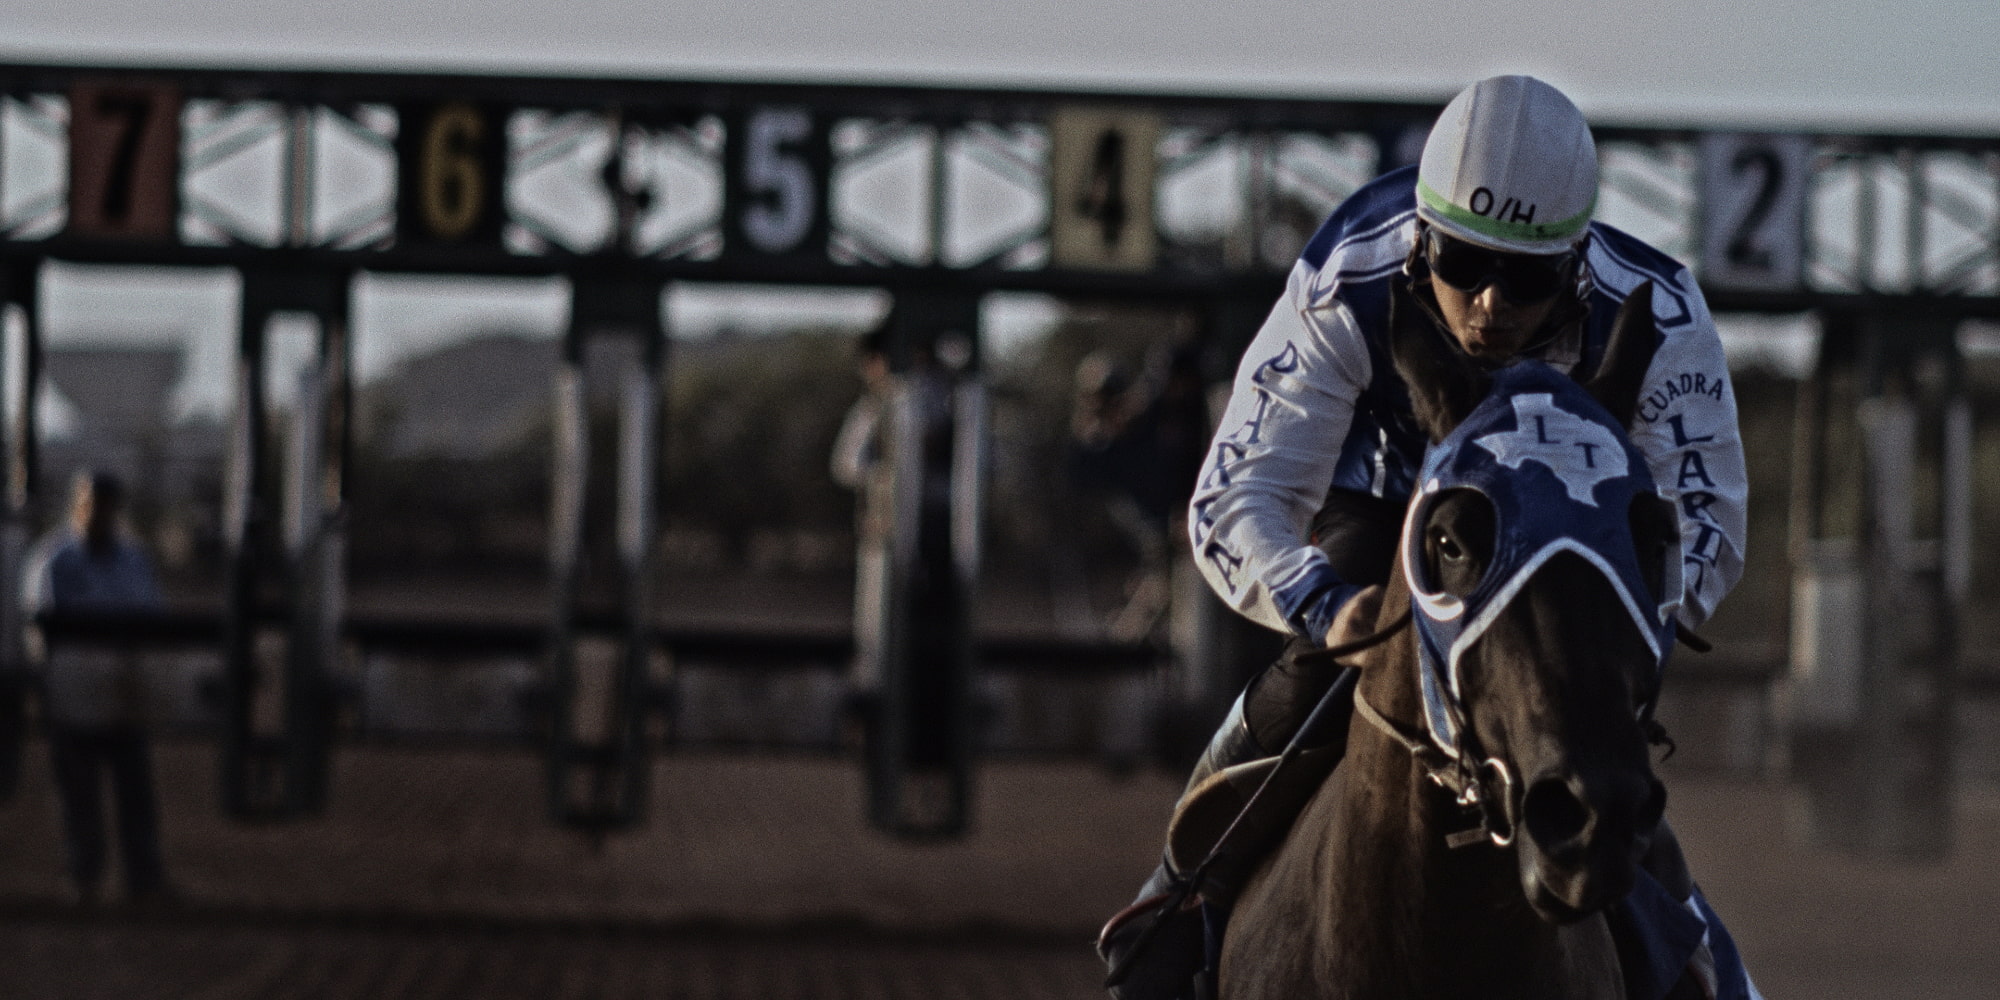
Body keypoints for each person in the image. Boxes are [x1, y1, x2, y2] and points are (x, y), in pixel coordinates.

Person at [1100, 76, 1756, 999]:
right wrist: (1325, 606)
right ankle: (1174, 902)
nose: (1490, 305)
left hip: (1564, 552)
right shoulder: (1347, 277)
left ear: (1576, 261)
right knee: (1309, 675)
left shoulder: (1663, 314)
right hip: (1390, 514)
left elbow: (1709, 529)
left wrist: (1619, 622)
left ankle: (1704, 965)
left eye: (1527, 278)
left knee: (1589, 727)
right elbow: (1235, 495)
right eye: (1461, 263)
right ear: (1420, 239)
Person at [23, 470, 173, 907]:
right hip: (73, 691)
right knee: (79, 793)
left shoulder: (134, 559)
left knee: (136, 790)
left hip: (125, 688)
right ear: (78, 505)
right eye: (93, 503)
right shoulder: (54, 560)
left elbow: (152, 616)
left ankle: (144, 881)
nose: (100, 513)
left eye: (108, 504)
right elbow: (42, 628)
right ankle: (85, 880)